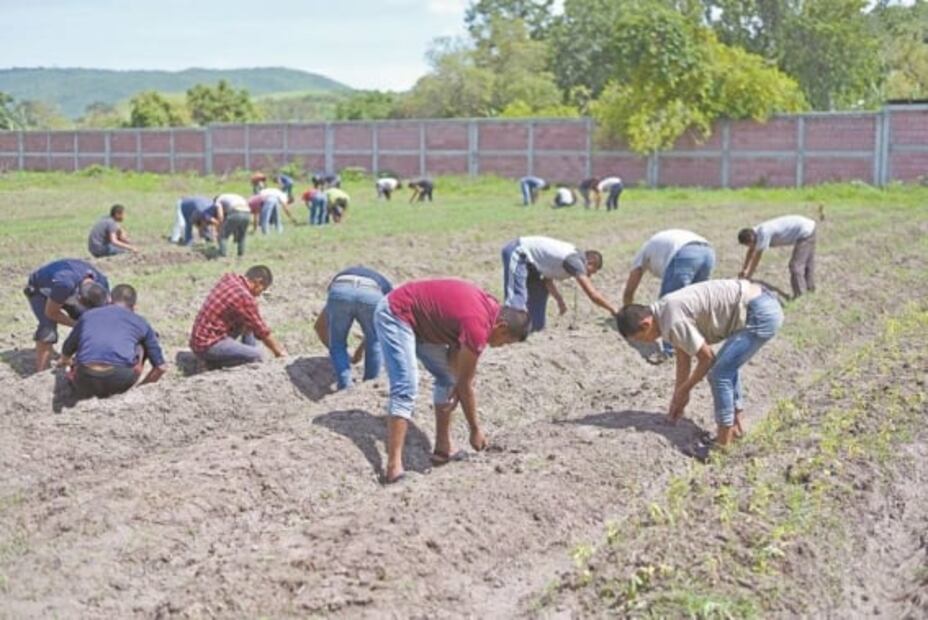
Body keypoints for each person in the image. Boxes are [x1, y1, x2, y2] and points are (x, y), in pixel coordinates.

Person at [374, 279, 531, 484]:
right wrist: (475, 430)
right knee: (406, 385)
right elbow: (466, 385)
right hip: (396, 312)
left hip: (422, 324)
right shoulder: (478, 325)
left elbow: (457, 352)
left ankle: (443, 448)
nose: (502, 347)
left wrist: (459, 381)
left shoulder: (490, 310)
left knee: (448, 378)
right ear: (501, 327)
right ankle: (393, 469)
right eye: (506, 342)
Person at [617, 279, 783, 448]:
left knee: (719, 374)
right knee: (726, 366)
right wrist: (679, 397)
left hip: (758, 312)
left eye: (640, 339)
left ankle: (723, 444)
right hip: (758, 303)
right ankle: (737, 429)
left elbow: (707, 359)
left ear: (645, 324)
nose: (645, 343)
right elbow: (684, 355)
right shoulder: (663, 311)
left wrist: (685, 389)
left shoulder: (672, 319)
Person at [59, 284, 166, 398]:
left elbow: (67, 349)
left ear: (109, 299)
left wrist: (65, 363)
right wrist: (141, 388)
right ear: (134, 306)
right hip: (119, 381)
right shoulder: (141, 322)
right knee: (142, 343)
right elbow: (160, 368)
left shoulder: (89, 315)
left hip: (84, 380)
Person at [623, 229, 716, 359]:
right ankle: (697, 344)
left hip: (684, 253)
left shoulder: (642, 253)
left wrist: (628, 313)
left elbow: (631, 287)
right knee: (695, 303)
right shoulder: (656, 247)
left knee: (669, 305)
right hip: (708, 252)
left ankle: (671, 349)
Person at [501, 236, 617, 332]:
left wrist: (559, 300)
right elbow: (592, 294)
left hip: (534, 267)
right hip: (519, 252)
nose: (590, 276)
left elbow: (547, 280)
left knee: (537, 322)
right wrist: (613, 310)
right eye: (592, 271)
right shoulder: (574, 261)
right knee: (517, 297)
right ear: (590, 262)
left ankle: (526, 330)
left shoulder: (571, 259)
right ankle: (504, 330)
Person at [189, 266, 286, 369]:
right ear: (258, 282)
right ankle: (212, 363)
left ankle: (246, 351)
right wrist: (279, 352)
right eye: (262, 290)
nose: (259, 295)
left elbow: (253, 323)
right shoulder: (243, 296)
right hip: (208, 345)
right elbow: (262, 331)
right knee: (258, 356)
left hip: (201, 339)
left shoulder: (231, 279)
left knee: (248, 321)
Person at [314, 266, 393, 390]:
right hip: (371, 293)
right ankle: (370, 387)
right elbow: (379, 333)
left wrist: (342, 354)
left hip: (340, 289)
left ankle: (345, 387)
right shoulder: (386, 287)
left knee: (338, 343)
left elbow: (320, 326)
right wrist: (360, 352)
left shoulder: (341, 279)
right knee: (375, 341)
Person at [24, 259, 110, 371]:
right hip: (40, 290)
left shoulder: (102, 283)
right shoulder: (64, 283)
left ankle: (87, 360)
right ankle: (41, 372)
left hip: (70, 287)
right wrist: (78, 325)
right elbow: (51, 313)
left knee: (91, 323)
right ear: (78, 298)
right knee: (48, 329)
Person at [738, 215, 817, 299]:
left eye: (749, 244)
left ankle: (801, 296)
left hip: (805, 232)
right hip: (809, 226)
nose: (750, 247)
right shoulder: (755, 232)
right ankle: (810, 290)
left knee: (795, 266)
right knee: (806, 263)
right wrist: (744, 269)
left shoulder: (764, 233)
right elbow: (751, 251)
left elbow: (756, 258)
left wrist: (748, 276)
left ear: (751, 239)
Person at [213, 193, 250, 257]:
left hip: (235, 211)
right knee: (242, 236)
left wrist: (220, 228)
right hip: (247, 213)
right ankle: (241, 255)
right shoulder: (234, 197)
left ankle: (222, 255)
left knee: (223, 236)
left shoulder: (218, 200)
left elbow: (220, 216)